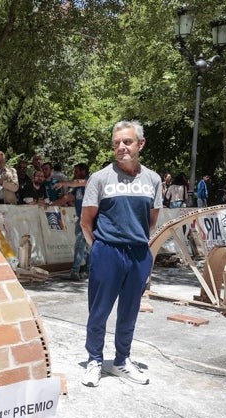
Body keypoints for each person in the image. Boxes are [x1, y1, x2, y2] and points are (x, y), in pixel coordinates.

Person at [80, 120, 162, 388]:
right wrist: (100, 250)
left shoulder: (153, 180)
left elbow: (151, 220)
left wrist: (134, 241)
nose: (121, 147)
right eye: (116, 143)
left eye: (127, 142)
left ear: (141, 143)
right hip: (107, 251)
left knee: (129, 311)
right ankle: (94, 360)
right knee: (99, 310)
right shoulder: (100, 178)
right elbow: (86, 221)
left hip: (138, 253)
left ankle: (122, 361)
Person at [55, 163, 90, 280]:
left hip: (88, 218)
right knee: (84, 246)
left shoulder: (88, 181)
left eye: (76, 171)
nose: (74, 174)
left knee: (80, 244)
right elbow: (68, 197)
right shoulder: (77, 187)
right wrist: (51, 204)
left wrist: (62, 183)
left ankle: (75, 271)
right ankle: (88, 270)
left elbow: (77, 182)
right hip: (80, 217)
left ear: (84, 172)